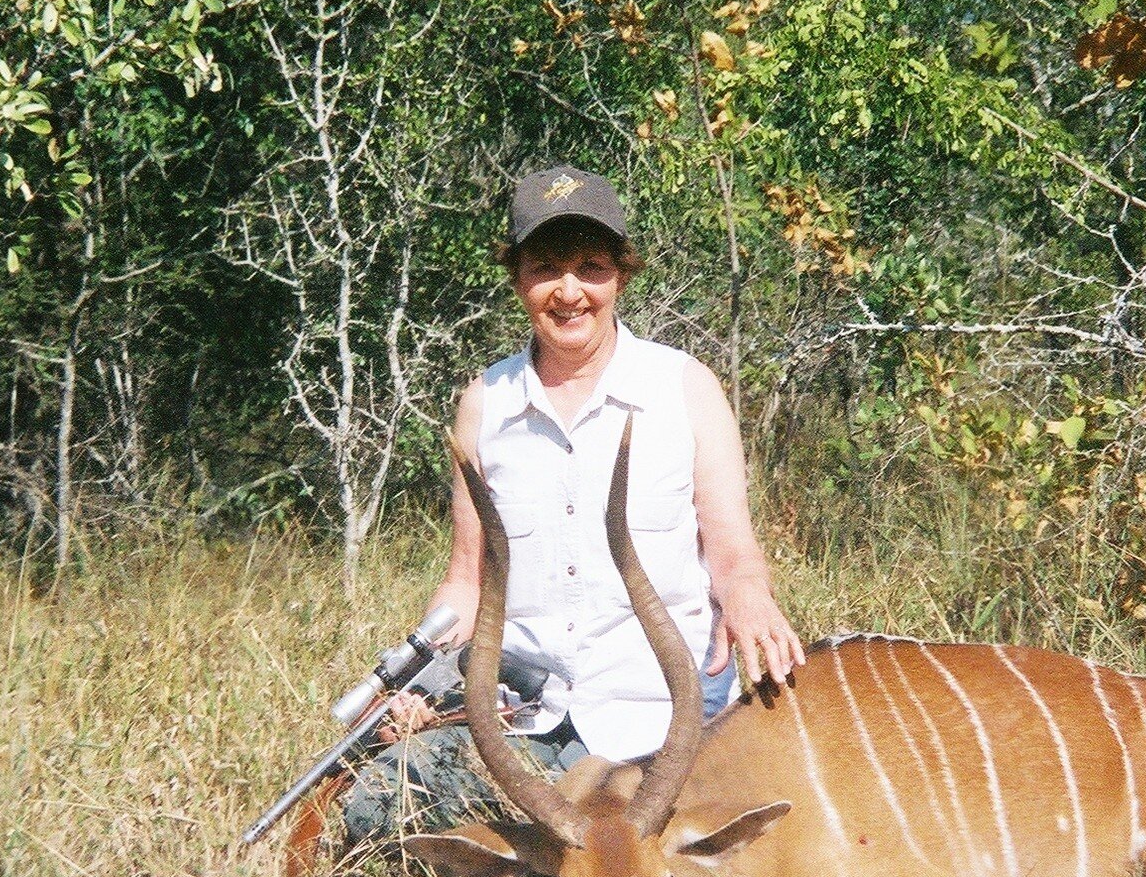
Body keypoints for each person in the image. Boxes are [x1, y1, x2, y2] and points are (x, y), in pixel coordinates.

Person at [342, 164, 804, 838]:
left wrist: (749, 592)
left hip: (659, 732)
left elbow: (732, 548)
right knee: (377, 807)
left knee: (679, 852)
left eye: (590, 266)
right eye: (546, 267)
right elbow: (467, 582)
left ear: (620, 274)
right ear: (518, 278)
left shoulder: (683, 388)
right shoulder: (485, 405)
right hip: (527, 722)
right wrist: (415, 685)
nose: (569, 292)